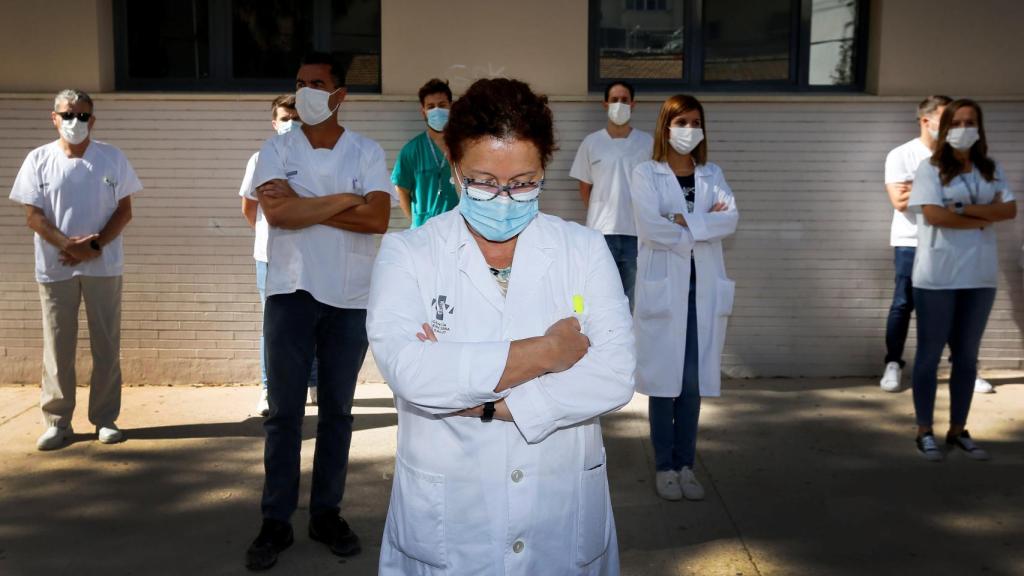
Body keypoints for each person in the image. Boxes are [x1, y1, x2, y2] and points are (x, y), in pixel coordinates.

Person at [367, 78, 635, 575]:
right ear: (454, 168)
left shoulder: (583, 249)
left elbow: (616, 374)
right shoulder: (409, 254)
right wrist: (549, 351)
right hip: (451, 523)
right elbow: (412, 372)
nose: (504, 198)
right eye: (484, 181)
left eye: (523, 182)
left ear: (544, 171)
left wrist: (493, 405)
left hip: (560, 512)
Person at [243, 52, 394, 571]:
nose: (307, 91)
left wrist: (310, 202)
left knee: (337, 413)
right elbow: (277, 212)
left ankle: (326, 513)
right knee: (284, 414)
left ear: (339, 94)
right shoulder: (275, 148)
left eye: (318, 83)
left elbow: (378, 219)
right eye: (301, 82)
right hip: (290, 293)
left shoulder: (367, 151)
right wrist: (344, 201)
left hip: (350, 299)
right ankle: (276, 520)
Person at [9, 89, 142, 450]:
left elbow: (124, 211)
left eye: (83, 116)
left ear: (93, 120)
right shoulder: (38, 160)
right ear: (54, 118)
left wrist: (94, 247)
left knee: (106, 345)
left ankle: (105, 418)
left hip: (104, 267)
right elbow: (33, 216)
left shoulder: (111, 158)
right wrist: (69, 246)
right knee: (57, 347)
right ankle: (57, 421)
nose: (75, 122)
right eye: (68, 115)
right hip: (55, 269)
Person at [631, 94, 738, 501]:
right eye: (681, 122)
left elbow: (731, 218)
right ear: (665, 127)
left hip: (703, 292)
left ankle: (686, 464)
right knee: (663, 382)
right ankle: (664, 466)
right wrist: (701, 226)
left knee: (691, 384)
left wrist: (683, 220)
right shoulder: (646, 173)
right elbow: (650, 227)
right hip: (665, 290)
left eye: (695, 122)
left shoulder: (712, 173)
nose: (689, 130)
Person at [908, 98, 1015, 462]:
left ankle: (958, 429)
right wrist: (982, 218)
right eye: (956, 122)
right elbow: (935, 216)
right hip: (937, 276)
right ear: (945, 127)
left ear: (980, 128)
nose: (963, 128)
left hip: (979, 276)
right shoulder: (929, 169)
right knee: (928, 356)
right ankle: (924, 430)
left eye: (971, 121)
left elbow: (1009, 209)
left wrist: (962, 209)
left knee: (967, 358)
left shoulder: (991, 168)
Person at [239, 94, 318, 417]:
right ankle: (269, 389)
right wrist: (270, 236)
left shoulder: (316, 160)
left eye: (296, 117)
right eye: (285, 118)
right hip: (270, 258)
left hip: (311, 254)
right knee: (272, 327)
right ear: (274, 123)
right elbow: (249, 208)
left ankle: (313, 383)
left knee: (314, 322)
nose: (291, 124)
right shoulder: (260, 160)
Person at [570, 81, 653, 309]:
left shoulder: (647, 143)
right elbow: (584, 186)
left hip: (636, 235)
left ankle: (628, 345)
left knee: (631, 301)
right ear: (605, 103)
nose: (619, 104)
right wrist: (601, 214)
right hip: (600, 234)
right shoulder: (592, 142)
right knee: (599, 297)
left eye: (624, 100)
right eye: (614, 99)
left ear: (633, 104)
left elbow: (654, 189)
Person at [392, 78, 459, 227]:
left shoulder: (464, 146)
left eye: (442, 105)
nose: (436, 110)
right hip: (424, 232)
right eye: (430, 106)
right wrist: (415, 222)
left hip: (459, 230)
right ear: (423, 112)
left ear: (451, 107)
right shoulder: (411, 151)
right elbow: (401, 189)